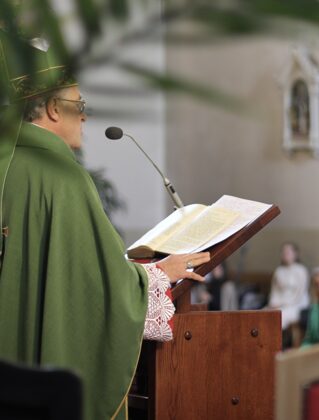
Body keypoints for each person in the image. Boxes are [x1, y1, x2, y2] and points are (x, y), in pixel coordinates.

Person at [0, 32, 210, 419]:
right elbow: (99, 288)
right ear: (52, 109)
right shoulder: (62, 177)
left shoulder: (7, 166)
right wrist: (159, 273)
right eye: (79, 105)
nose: (85, 116)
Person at [267, 242, 309, 345]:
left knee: (280, 316)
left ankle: (277, 344)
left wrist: (283, 304)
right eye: (283, 252)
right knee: (263, 314)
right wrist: (273, 303)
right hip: (278, 303)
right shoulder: (279, 271)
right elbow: (274, 291)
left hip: (296, 304)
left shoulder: (301, 270)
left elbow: (299, 293)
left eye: (288, 252)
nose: (285, 254)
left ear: (295, 254)